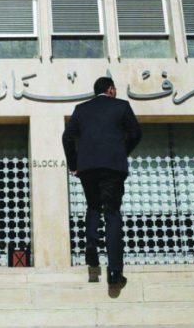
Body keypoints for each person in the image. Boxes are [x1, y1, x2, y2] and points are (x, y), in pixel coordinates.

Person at [62, 76, 142, 286]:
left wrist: (74, 164)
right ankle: (114, 271)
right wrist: (121, 152)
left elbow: (67, 137)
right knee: (112, 213)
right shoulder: (122, 106)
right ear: (111, 89)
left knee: (93, 205)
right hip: (113, 167)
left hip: (87, 168)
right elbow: (136, 133)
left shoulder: (81, 109)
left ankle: (91, 243)